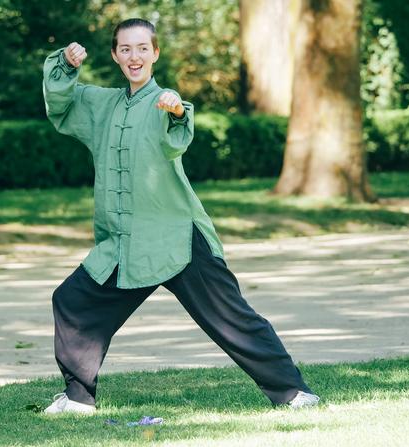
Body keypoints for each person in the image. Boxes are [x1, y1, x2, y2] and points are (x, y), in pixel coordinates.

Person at [41, 18, 320, 414]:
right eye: (125, 49)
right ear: (115, 56)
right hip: (124, 245)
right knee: (72, 300)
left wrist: (174, 111)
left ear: (155, 53)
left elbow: (177, 133)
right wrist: (67, 65)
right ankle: (78, 398)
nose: (134, 56)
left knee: (230, 316)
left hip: (177, 238)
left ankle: (294, 392)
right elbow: (62, 104)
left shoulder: (165, 101)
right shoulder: (101, 105)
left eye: (142, 48)